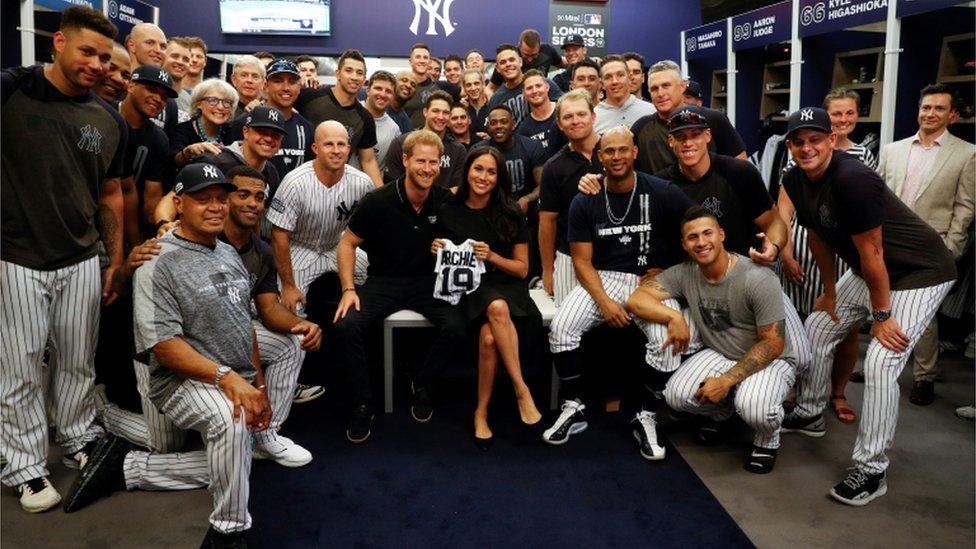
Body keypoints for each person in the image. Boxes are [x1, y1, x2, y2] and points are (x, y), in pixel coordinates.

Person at [64, 163, 269, 547]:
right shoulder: (157, 260)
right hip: (179, 380)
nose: (215, 207)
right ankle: (229, 531)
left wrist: (259, 384)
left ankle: (128, 467)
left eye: (221, 199)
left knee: (235, 457)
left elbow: (245, 328)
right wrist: (230, 379)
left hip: (224, 374)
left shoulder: (228, 253)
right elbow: (165, 348)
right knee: (232, 422)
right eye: (202, 199)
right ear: (177, 204)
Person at [779, 107, 957, 506]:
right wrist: (827, 291)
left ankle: (872, 469)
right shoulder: (796, 179)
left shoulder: (853, 179)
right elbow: (820, 237)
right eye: (799, 141)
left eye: (815, 139)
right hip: (869, 269)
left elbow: (873, 251)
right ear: (789, 146)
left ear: (831, 140)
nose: (807, 148)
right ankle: (809, 412)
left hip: (919, 271)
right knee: (819, 327)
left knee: (881, 361)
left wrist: (881, 317)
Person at [1, 5, 127, 513]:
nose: (97, 65)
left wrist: (113, 259)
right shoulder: (12, 90)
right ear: (58, 42)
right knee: (21, 367)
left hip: (81, 256)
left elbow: (112, 194)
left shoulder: (108, 118)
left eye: (104, 57)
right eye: (87, 52)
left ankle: (77, 436)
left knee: (78, 362)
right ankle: (25, 465)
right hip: (16, 254)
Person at [542, 126, 694, 456]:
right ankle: (574, 405)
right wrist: (605, 302)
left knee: (666, 342)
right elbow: (582, 261)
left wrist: (669, 268)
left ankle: (646, 415)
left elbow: (698, 229)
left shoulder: (661, 191)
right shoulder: (586, 199)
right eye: (609, 151)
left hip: (649, 281)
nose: (616, 157)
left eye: (622, 150)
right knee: (562, 328)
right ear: (599, 156)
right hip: (603, 276)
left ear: (635, 151)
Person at [629, 207, 797, 473]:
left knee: (754, 407)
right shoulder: (685, 273)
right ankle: (725, 412)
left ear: (721, 235)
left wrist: (727, 380)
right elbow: (636, 299)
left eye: (707, 233)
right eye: (693, 237)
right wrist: (673, 318)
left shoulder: (757, 276)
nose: (701, 242)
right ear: (684, 245)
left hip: (769, 359)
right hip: (723, 352)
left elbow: (772, 344)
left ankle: (767, 438)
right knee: (676, 396)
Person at [333, 130, 467, 442]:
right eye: (420, 161)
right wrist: (349, 289)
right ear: (405, 160)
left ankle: (423, 382)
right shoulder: (379, 200)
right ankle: (362, 403)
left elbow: (465, 244)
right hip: (385, 281)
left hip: (427, 283)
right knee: (346, 324)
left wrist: (448, 245)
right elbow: (347, 244)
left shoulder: (446, 200)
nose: (427, 168)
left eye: (433, 163)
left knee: (459, 326)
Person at [777, 88, 880, 424]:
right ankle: (804, 394)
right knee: (803, 322)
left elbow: (870, 234)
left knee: (843, 328)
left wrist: (880, 312)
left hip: (849, 253)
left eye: (850, 113)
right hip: (810, 247)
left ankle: (836, 393)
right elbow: (788, 208)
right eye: (837, 112)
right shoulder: (796, 165)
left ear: (831, 138)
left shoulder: (861, 160)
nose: (844, 119)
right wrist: (786, 250)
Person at [432, 146, 543, 449]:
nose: (483, 176)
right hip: (469, 292)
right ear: (467, 170)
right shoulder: (447, 209)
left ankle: (481, 413)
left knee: (490, 339)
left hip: (508, 286)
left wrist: (492, 256)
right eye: (478, 169)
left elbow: (522, 270)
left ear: (499, 177)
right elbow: (443, 264)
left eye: (491, 171)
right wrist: (435, 250)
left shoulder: (510, 212)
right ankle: (522, 389)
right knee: (495, 307)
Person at [878, 84, 974, 406]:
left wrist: (952, 247)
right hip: (888, 242)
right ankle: (882, 363)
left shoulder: (967, 154)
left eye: (938, 109)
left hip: (932, 249)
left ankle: (924, 376)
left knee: (924, 314)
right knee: (882, 303)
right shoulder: (893, 150)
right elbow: (877, 195)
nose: (930, 114)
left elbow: (965, 206)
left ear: (953, 115)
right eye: (926, 107)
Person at [267, 121, 374, 318]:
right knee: (291, 311)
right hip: (299, 248)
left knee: (376, 281)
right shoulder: (294, 182)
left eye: (341, 144)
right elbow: (279, 234)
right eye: (328, 144)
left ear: (349, 148)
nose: (336, 150)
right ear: (315, 148)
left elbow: (373, 228)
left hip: (337, 246)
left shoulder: (362, 183)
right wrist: (289, 286)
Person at [539, 89, 602, 306]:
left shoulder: (615, 152)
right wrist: (548, 269)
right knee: (568, 323)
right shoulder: (553, 167)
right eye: (568, 116)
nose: (575, 121)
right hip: (568, 257)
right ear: (559, 123)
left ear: (593, 116)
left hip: (613, 251)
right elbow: (547, 221)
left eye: (581, 114)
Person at [632, 59, 746, 175]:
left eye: (666, 86)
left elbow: (742, 168)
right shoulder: (641, 128)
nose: (660, 94)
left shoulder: (712, 119)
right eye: (654, 89)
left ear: (682, 86)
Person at [294, 49, 383, 186]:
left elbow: (368, 161)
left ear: (364, 79)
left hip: (336, 186)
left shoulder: (365, 118)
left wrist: (381, 196)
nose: (354, 77)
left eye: (359, 73)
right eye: (348, 70)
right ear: (338, 74)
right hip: (300, 181)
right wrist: (256, 104)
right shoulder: (308, 97)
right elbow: (280, 105)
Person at [118, 65, 179, 242]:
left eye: (164, 96)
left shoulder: (159, 139)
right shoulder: (106, 116)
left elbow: (151, 198)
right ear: (131, 86)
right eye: (151, 89)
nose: (158, 99)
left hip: (130, 222)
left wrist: (158, 228)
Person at [227, 58, 315, 180]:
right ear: (266, 86)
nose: (286, 87)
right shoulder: (244, 123)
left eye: (292, 82)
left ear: (299, 87)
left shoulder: (307, 128)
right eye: (278, 81)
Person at [384, 90, 466, 189]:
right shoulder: (401, 143)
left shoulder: (458, 150)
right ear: (425, 112)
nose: (440, 117)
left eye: (445, 112)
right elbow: (392, 185)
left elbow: (456, 188)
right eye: (435, 111)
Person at [475, 104, 546, 213]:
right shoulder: (478, 150)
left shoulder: (531, 146)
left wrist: (527, 199)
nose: (499, 126)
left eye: (504, 121)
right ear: (488, 127)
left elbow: (542, 185)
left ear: (513, 125)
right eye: (493, 123)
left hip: (526, 213)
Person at [486, 43, 563, 127]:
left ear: (520, 62)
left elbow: (565, 108)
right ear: (497, 68)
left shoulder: (541, 84)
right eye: (503, 62)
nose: (508, 64)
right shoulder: (495, 100)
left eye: (512, 60)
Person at [170, 78, 239, 168]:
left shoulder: (233, 131)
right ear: (199, 104)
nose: (220, 107)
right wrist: (188, 152)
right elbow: (173, 162)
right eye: (213, 100)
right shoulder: (181, 130)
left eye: (227, 102)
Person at [594, 55, 655, 135]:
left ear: (629, 78)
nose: (615, 81)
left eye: (620, 75)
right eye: (608, 77)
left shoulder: (651, 111)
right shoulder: (593, 117)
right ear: (602, 84)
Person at [488, 29, 565, 91]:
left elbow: (564, 63)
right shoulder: (510, 58)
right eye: (526, 55)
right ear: (519, 46)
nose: (530, 59)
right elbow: (491, 88)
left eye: (534, 55)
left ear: (539, 46)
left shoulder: (548, 51)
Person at [517, 69, 567, 161]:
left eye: (538, 86)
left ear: (547, 87)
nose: (534, 91)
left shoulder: (565, 111)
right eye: (529, 88)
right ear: (523, 93)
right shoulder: (524, 129)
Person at [362, 70, 403, 171]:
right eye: (378, 88)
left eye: (388, 91)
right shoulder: (351, 111)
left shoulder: (394, 130)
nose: (383, 94)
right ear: (368, 90)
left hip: (372, 185)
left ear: (393, 96)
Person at [402, 43, 446, 129]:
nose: (422, 61)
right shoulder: (400, 87)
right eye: (418, 57)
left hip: (431, 138)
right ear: (410, 61)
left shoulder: (438, 88)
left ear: (429, 62)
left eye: (425, 57)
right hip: (405, 139)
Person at [162, 37, 193, 114]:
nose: (180, 62)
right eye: (175, 56)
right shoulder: (150, 92)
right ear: (163, 57)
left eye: (185, 59)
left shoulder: (191, 102)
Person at [462, 68, 490, 138]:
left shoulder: (492, 106)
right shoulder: (461, 110)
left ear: (483, 85)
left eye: (476, 83)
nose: (473, 88)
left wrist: (491, 138)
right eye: (468, 85)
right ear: (464, 88)